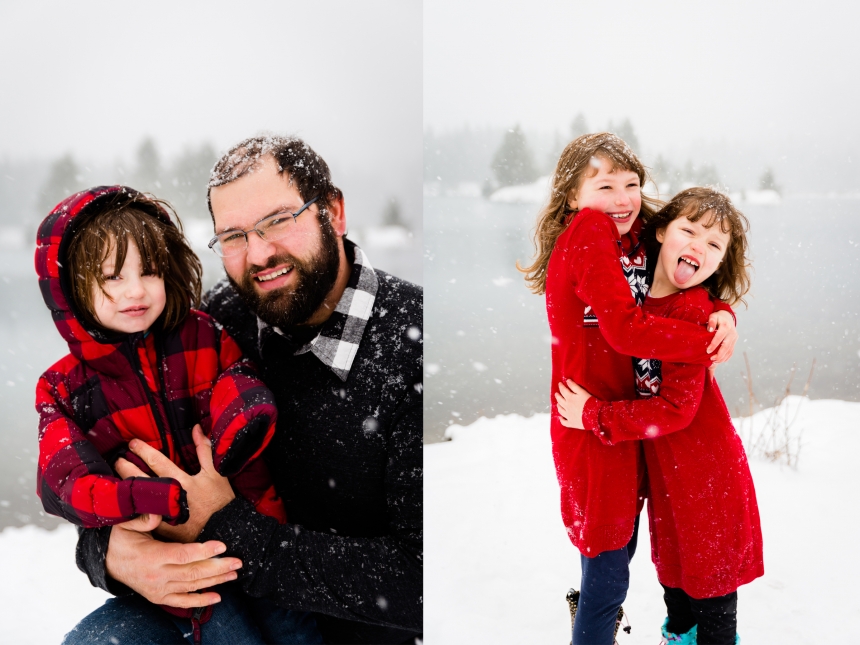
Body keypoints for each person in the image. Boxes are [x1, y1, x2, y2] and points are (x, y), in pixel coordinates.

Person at [70, 136, 423, 645]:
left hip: (357, 630)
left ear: (335, 212)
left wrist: (230, 528)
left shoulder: (413, 343)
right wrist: (109, 552)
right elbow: (117, 448)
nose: (259, 254)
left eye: (279, 220)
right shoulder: (214, 324)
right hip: (220, 600)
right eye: (233, 236)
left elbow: (420, 578)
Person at [35, 185, 321, 644]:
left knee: (292, 627)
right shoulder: (65, 387)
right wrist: (134, 499)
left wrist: (241, 427)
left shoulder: (201, 334)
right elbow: (63, 479)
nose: (135, 290)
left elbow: (237, 378)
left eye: (149, 271)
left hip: (262, 532)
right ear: (72, 290)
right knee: (228, 630)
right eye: (111, 277)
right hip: (177, 565)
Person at [518, 133, 739, 645]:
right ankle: (591, 623)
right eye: (604, 185)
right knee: (610, 563)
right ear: (573, 196)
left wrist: (721, 312)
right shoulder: (590, 230)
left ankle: (589, 607)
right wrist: (704, 340)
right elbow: (622, 329)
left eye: (632, 184)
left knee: (617, 546)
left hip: (622, 419)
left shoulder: (633, 232)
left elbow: (685, 265)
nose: (621, 198)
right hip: (589, 423)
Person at [555, 187, 763, 644]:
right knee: (677, 580)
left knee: (710, 592)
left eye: (714, 245)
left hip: (705, 472)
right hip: (667, 473)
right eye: (689, 231)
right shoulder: (636, 284)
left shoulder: (693, 312)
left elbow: (674, 410)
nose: (698, 247)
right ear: (661, 233)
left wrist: (594, 415)